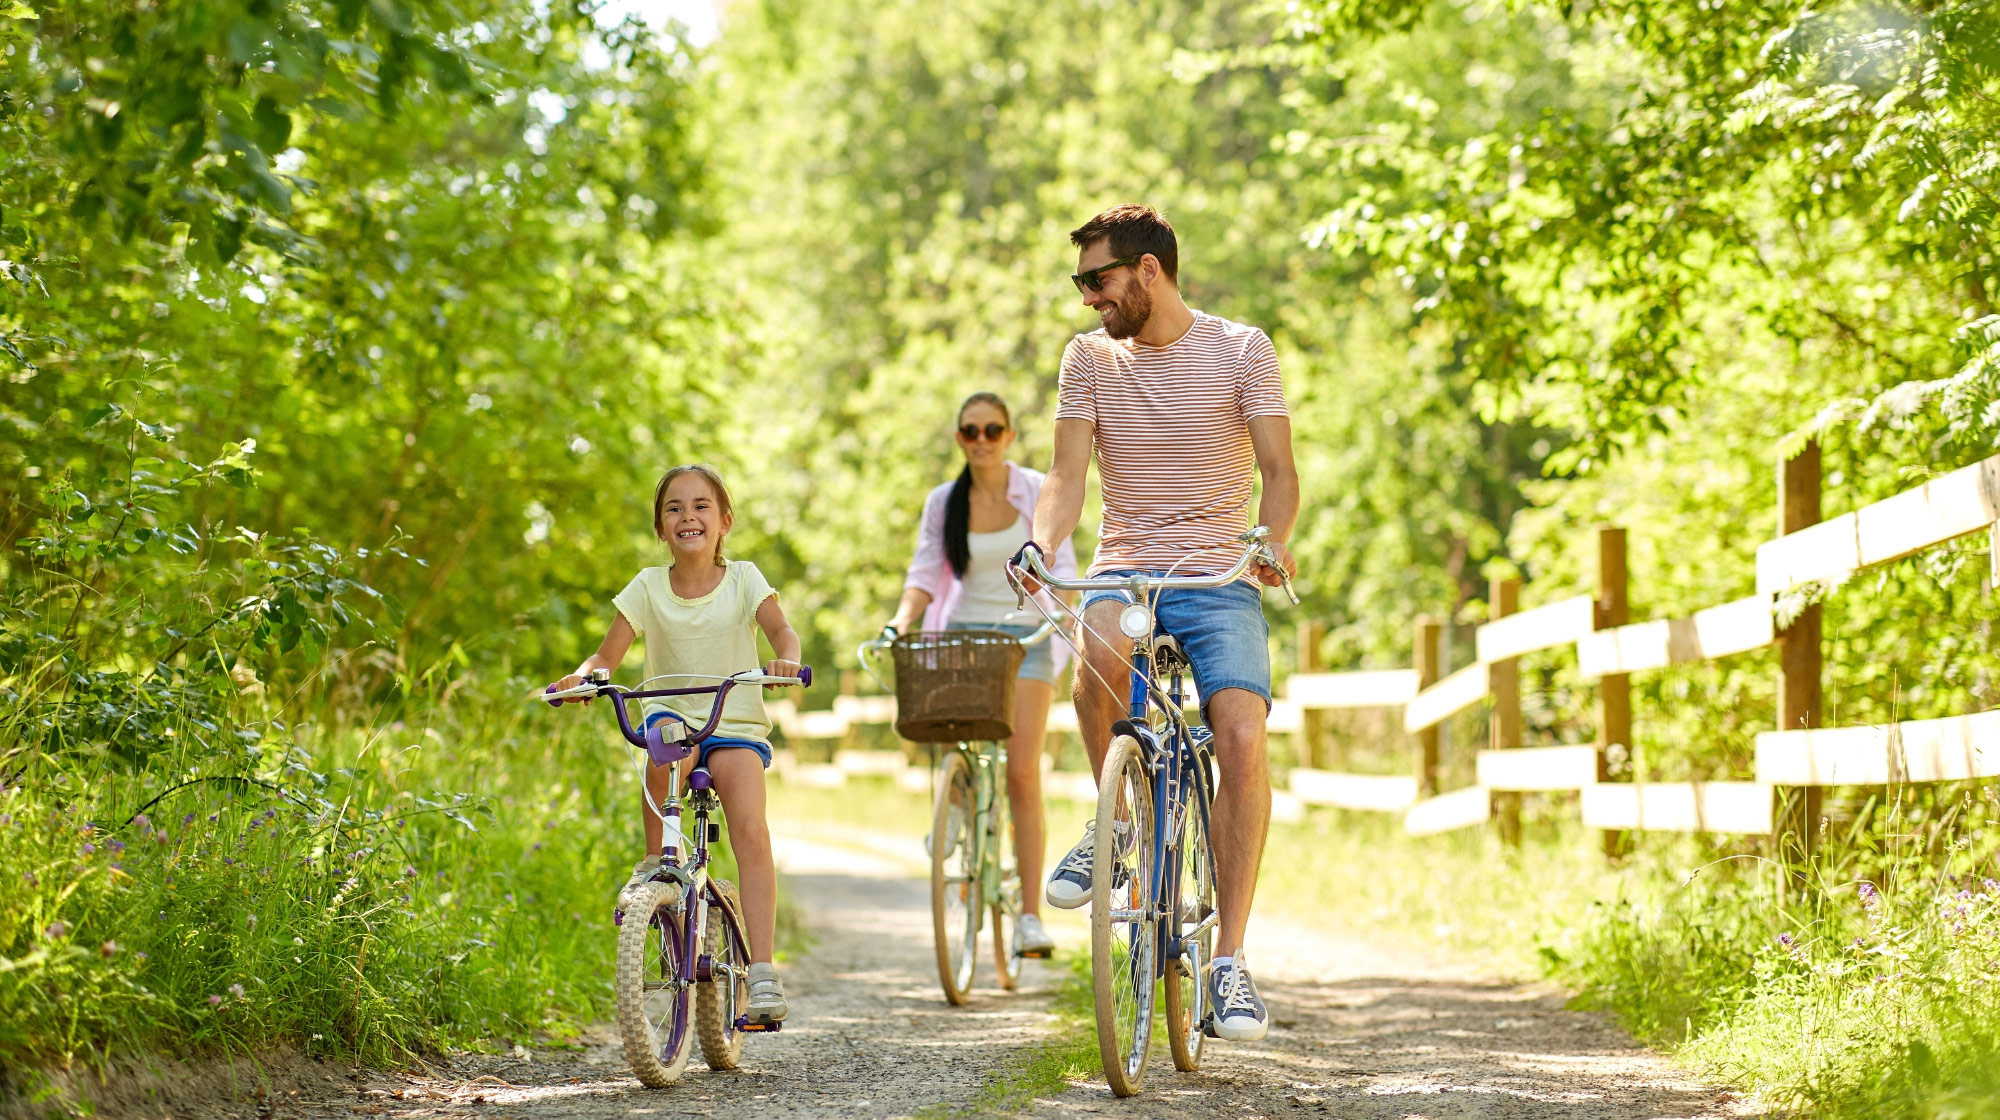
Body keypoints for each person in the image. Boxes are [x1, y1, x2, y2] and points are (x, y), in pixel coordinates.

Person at [1012, 204, 1300, 1042]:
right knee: (1094, 651)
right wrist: (1041, 543)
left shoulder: (1244, 349)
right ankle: (1121, 821)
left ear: (1148, 271)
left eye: (1097, 280)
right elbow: (1066, 476)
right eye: (1082, 284)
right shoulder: (1088, 359)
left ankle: (1230, 964)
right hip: (1126, 564)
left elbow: (1280, 470)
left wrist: (1271, 544)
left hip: (1220, 575)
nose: (1089, 299)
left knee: (1241, 736)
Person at [549, 464, 804, 1026]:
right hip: (673, 713)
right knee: (662, 749)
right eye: (674, 509)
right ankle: (656, 866)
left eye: (701, 506)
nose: (688, 516)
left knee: (750, 826)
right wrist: (583, 677)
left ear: (724, 522)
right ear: (661, 529)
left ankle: (762, 969)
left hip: (732, 718)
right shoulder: (645, 587)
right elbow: (605, 658)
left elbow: (781, 631)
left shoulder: (744, 580)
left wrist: (785, 656)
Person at [885, 391, 1080, 960]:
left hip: (1026, 638)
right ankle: (955, 812)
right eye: (971, 432)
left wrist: (1064, 608)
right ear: (959, 439)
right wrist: (902, 620)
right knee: (953, 741)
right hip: (963, 635)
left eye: (993, 430)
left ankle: (1028, 918)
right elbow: (924, 569)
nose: (981, 441)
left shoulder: (1035, 491)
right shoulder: (945, 502)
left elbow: (1063, 567)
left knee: (1022, 772)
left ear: (1009, 436)